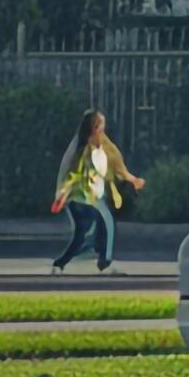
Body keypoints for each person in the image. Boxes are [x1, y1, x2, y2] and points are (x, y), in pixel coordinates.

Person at [50, 109, 145, 275]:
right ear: (94, 127)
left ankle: (60, 263)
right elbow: (73, 174)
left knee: (83, 235)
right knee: (105, 222)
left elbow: (117, 167)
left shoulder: (105, 146)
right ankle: (104, 262)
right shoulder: (83, 150)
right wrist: (63, 193)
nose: (103, 128)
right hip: (80, 198)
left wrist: (133, 180)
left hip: (94, 197)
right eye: (101, 125)